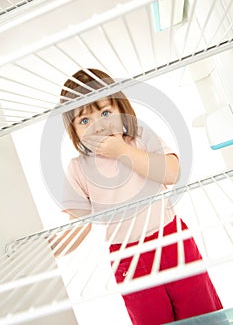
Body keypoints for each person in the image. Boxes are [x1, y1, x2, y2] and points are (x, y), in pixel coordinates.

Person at [58, 68, 223, 325]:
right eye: (84, 121)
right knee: (151, 318)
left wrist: (122, 151)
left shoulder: (141, 140)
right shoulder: (78, 167)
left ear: (121, 110)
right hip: (127, 257)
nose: (98, 125)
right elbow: (78, 219)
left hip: (171, 238)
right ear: (74, 131)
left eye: (104, 112)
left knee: (201, 309)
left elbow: (172, 172)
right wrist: (58, 245)